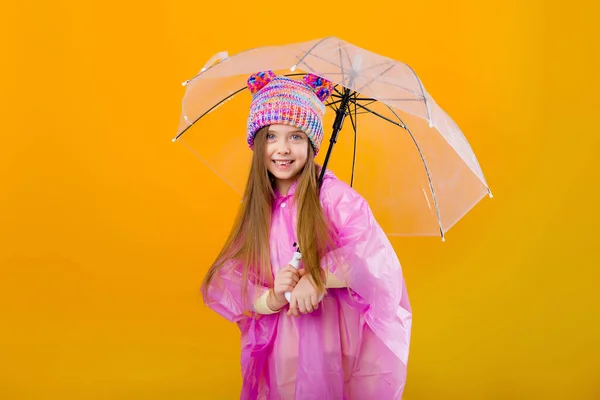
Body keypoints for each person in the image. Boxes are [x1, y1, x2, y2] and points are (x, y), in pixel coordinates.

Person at [201, 70, 412, 399]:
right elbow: (227, 279)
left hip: (328, 348)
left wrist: (319, 277)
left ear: (312, 143)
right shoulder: (259, 205)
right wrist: (270, 298)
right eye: (271, 136)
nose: (282, 149)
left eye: (296, 136)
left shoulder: (335, 198)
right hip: (279, 351)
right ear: (257, 142)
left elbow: (374, 259)